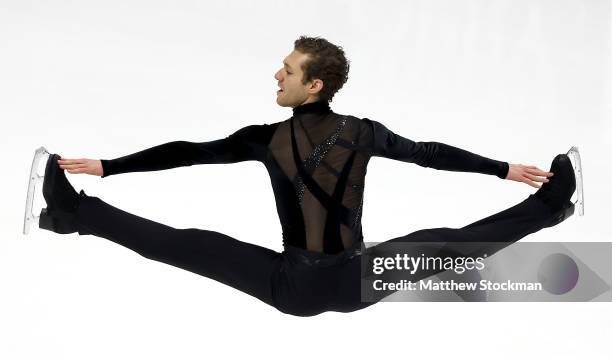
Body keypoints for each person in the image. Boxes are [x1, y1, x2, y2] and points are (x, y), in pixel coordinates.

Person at [35, 35, 578, 316]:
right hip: (351, 281)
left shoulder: (274, 139)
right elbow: (190, 151)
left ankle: (73, 214)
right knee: (455, 245)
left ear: (314, 85)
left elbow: (430, 153)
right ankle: (551, 207)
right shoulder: (357, 132)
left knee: (183, 245)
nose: (277, 74)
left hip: (299, 285)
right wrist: (110, 165)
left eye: (289, 70)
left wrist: (505, 168)